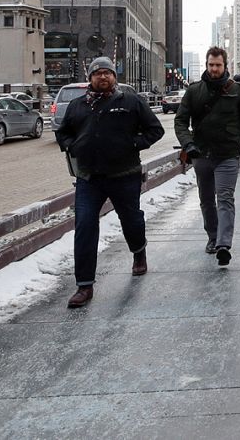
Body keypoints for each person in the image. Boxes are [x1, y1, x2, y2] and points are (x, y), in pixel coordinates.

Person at [56, 56, 165, 309]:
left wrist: (133, 144)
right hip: (89, 178)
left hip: (124, 175)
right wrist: (71, 146)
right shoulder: (77, 106)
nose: (102, 77)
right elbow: (63, 132)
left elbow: (155, 130)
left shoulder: (130, 101)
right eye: (97, 73)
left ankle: (139, 251)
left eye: (107, 73)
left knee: (131, 220)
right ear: (90, 79)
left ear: (114, 77)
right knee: (84, 226)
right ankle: (84, 285)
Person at [173, 47, 240, 267]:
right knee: (206, 200)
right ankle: (212, 236)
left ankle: (223, 244)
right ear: (206, 64)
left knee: (225, 198)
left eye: (218, 65)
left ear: (225, 66)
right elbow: (180, 121)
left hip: (227, 154)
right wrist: (188, 144)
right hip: (200, 154)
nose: (214, 69)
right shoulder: (194, 91)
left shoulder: (238, 90)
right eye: (211, 64)